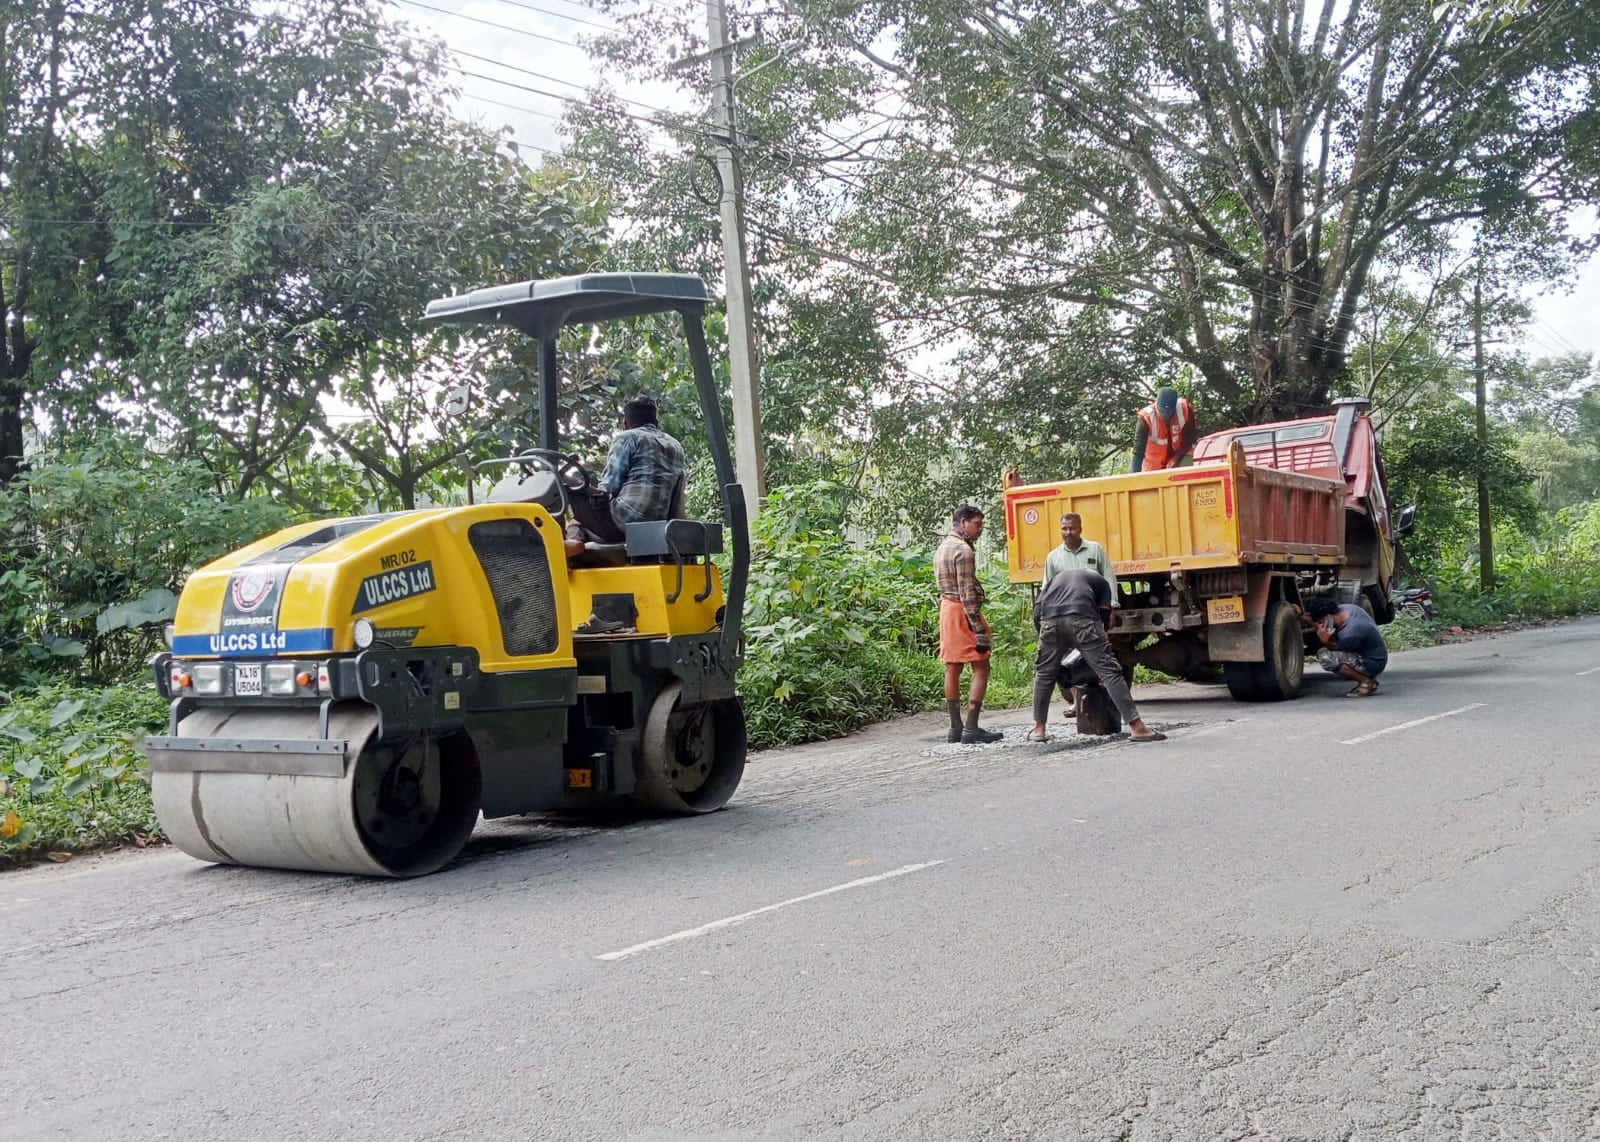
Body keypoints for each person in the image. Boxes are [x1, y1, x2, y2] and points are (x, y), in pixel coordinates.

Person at [1026, 567, 1165, 743]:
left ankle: (1039, 729)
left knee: (1044, 674)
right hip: (1082, 619)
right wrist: (1100, 646)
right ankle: (1138, 728)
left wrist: (1050, 641)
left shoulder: (1054, 580)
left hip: (1049, 622)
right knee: (1109, 672)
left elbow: (1037, 612)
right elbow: (1105, 617)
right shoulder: (1101, 583)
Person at [565, 395, 686, 558]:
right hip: (659, 526)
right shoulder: (675, 445)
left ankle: (569, 552)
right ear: (656, 423)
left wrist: (582, 489)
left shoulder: (627, 438)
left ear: (626, 424)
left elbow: (608, 488)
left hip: (624, 522)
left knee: (568, 486)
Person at [935, 505, 1004, 744]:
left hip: (946, 609)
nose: (980, 529)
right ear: (963, 522)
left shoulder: (943, 547)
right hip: (962, 611)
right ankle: (972, 726)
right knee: (981, 665)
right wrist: (978, 627)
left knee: (952, 667)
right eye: (977, 524)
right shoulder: (963, 551)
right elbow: (966, 593)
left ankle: (955, 727)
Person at [1039, 512, 1116, 717]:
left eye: (1072, 528)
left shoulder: (1095, 549)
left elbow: (1108, 578)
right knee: (1068, 661)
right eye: (1064, 528)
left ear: (1080, 528)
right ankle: (1075, 702)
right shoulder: (1053, 557)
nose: (1068, 532)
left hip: (1091, 615)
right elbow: (1046, 588)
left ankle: (1103, 703)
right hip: (1064, 616)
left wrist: (1112, 607)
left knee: (1099, 657)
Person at [1304, 596, 1388, 697]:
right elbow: (1318, 621)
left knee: (1326, 657)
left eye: (1321, 621)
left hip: (1372, 663)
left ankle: (1367, 682)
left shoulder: (1350, 632)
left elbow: (1335, 649)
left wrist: (1325, 641)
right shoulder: (1347, 609)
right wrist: (1302, 615)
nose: (1320, 625)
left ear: (1327, 617)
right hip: (1374, 654)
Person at [1131, 386, 1196, 472]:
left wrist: (1176, 458)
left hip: (1181, 456)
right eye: (1162, 412)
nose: (1165, 416)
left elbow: (1190, 438)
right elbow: (1138, 452)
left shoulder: (1185, 409)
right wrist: (1134, 477)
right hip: (1153, 464)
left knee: (1187, 469)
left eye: (1169, 414)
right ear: (1156, 404)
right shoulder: (1145, 418)